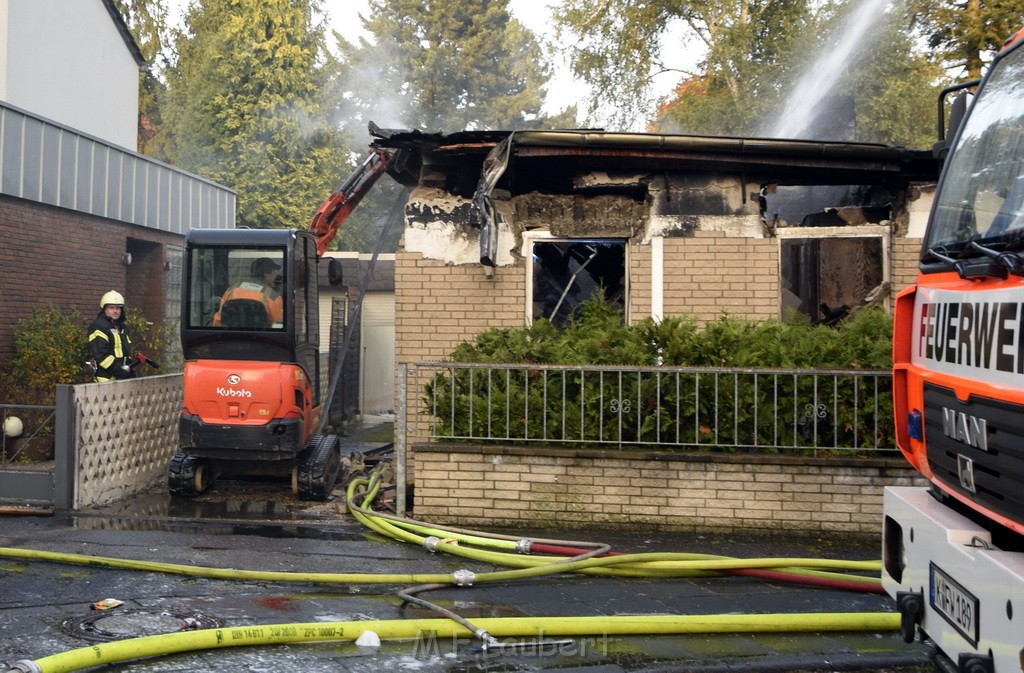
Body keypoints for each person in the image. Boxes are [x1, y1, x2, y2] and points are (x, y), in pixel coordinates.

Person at [212, 257, 284, 327]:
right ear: (266, 276)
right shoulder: (273, 297)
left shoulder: (231, 290)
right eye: (274, 272)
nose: (275, 275)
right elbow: (278, 326)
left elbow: (218, 321)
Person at [87, 291, 135, 382]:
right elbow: (101, 355)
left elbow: (126, 351)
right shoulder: (99, 326)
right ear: (104, 309)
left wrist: (130, 368)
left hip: (122, 378)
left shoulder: (122, 327)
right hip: (106, 379)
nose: (115, 311)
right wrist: (119, 372)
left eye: (118, 308)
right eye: (111, 308)